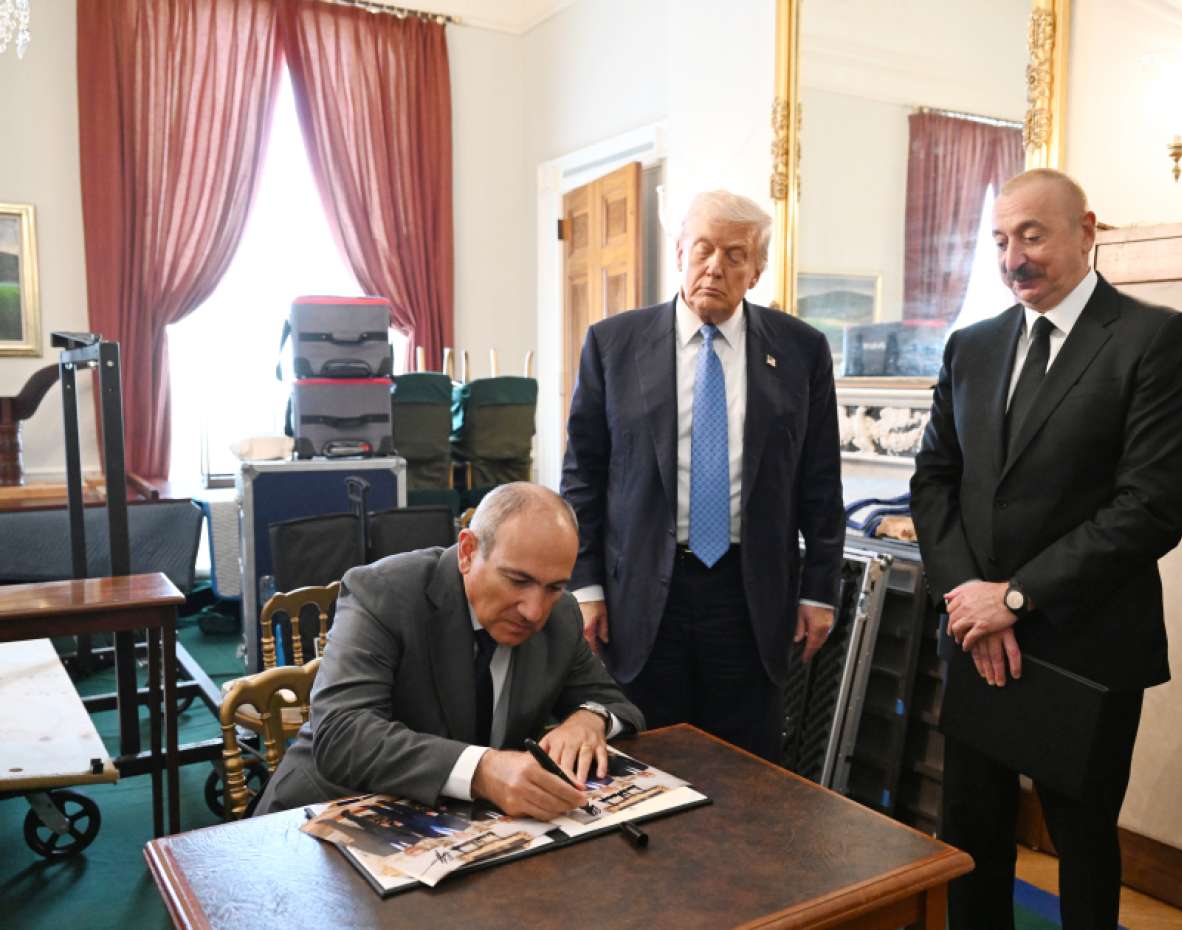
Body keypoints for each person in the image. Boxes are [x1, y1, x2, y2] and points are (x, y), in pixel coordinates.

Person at [910, 169, 1182, 930]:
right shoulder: (971, 346)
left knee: (1082, 848)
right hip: (974, 635)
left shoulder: (1156, 339)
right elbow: (935, 481)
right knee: (971, 838)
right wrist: (970, 601)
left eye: (1032, 236)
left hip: (1086, 643)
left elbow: (1150, 509)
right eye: (999, 241)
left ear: (1086, 230)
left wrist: (1013, 599)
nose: (1013, 259)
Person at [560, 189, 845, 761]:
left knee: (747, 765)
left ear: (756, 271)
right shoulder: (613, 344)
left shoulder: (801, 350)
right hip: (641, 594)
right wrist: (584, 588)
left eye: (735, 255)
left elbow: (820, 480)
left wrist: (820, 590)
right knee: (645, 758)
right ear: (679, 253)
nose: (715, 266)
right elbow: (582, 478)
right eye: (703, 249)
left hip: (751, 595)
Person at [255, 482, 645, 820]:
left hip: (453, 831)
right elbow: (343, 734)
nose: (534, 610)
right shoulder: (384, 592)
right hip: (320, 817)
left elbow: (617, 704)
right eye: (517, 580)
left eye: (554, 587)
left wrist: (589, 719)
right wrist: (482, 770)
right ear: (467, 552)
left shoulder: (561, 616)